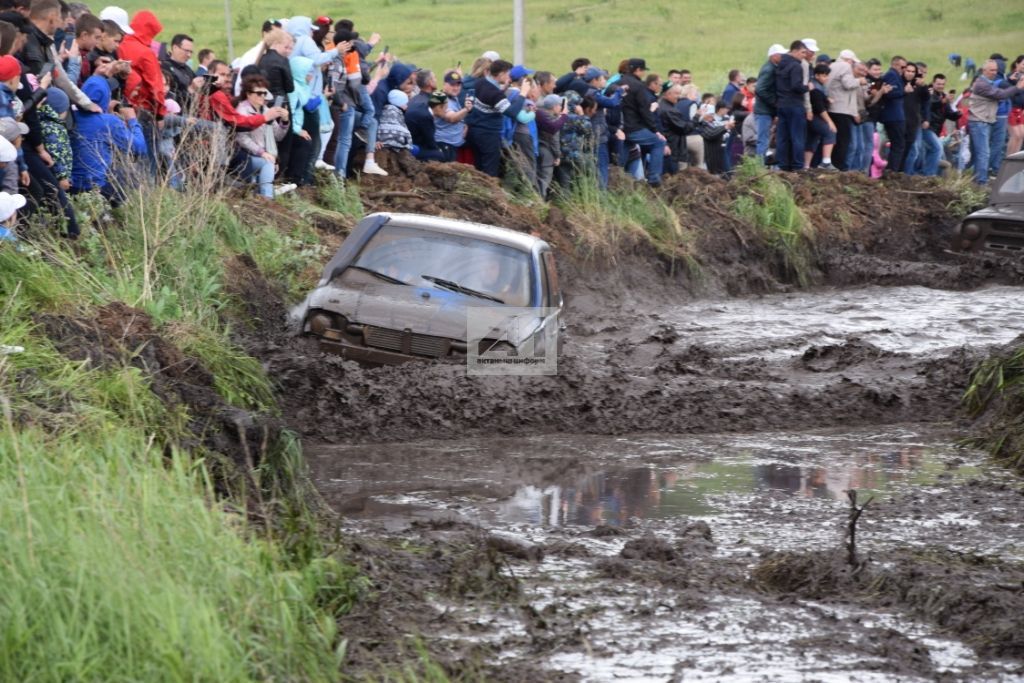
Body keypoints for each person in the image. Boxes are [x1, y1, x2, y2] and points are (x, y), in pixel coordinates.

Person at [70, 74, 146, 202]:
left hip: (71, 185)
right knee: (129, 195)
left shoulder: (70, 116)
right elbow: (139, 148)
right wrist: (132, 120)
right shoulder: (109, 122)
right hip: (95, 187)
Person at [464, 59, 533, 177]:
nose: (509, 77)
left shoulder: (481, 83)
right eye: (508, 74)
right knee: (489, 171)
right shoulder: (494, 93)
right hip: (488, 135)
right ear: (501, 74)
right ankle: (488, 194)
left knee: (479, 168)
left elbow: (490, 100)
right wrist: (523, 93)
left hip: (475, 131)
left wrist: (503, 89)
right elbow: (511, 112)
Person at [234, 74, 289, 198]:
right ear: (248, 94)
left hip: (263, 155)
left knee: (268, 163)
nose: (262, 96)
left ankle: (265, 197)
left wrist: (284, 121)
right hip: (244, 156)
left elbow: (278, 136)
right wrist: (262, 152)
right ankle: (267, 198)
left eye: (264, 93)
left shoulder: (265, 110)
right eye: (258, 93)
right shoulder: (242, 110)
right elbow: (242, 138)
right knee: (267, 163)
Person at [967, 59, 1021, 184]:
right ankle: (982, 181)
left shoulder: (988, 82)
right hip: (979, 122)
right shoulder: (981, 84)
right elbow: (1000, 94)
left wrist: (1011, 82)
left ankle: (976, 179)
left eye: (996, 70)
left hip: (983, 121)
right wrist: (1017, 87)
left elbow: (1000, 91)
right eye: (991, 70)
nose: (994, 72)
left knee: (979, 153)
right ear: (984, 70)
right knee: (984, 153)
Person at [619, 57, 665, 186]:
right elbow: (644, 109)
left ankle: (616, 175)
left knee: (625, 149)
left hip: (620, 127)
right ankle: (654, 178)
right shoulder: (639, 86)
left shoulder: (618, 82)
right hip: (634, 126)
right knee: (658, 143)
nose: (643, 74)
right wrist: (654, 130)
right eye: (643, 70)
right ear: (638, 70)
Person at [775, 40, 808, 172]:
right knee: (797, 137)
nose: (804, 55)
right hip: (794, 104)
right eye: (802, 52)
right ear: (794, 51)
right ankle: (798, 165)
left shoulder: (780, 65)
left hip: (782, 104)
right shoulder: (796, 66)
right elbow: (796, 86)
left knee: (782, 137)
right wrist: (807, 87)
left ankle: (783, 164)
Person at [827, 49, 861, 170]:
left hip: (831, 107)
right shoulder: (845, 67)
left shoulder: (832, 66)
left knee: (833, 138)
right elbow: (848, 84)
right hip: (842, 109)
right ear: (848, 60)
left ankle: (830, 162)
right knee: (843, 140)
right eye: (852, 62)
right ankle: (839, 165)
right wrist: (859, 81)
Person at [754, 44, 785, 164]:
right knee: (763, 140)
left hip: (766, 110)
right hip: (764, 111)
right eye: (781, 55)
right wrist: (774, 101)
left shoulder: (772, 67)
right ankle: (759, 167)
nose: (783, 57)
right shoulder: (769, 69)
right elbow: (760, 89)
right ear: (773, 56)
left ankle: (760, 166)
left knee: (764, 139)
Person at [805, 63, 837, 170]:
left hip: (812, 117)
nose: (826, 78)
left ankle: (806, 166)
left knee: (812, 139)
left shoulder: (818, 87)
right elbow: (820, 108)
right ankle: (826, 162)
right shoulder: (815, 88)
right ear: (816, 75)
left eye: (827, 75)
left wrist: (827, 98)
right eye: (823, 75)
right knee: (830, 131)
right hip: (814, 117)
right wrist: (830, 122)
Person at [880, 55, 908, 172]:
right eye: (903, 67)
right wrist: (904, 91)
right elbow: (890, 93)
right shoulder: (891, 75)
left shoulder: (896, 76)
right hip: (893, 116)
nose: (904, 70)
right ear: (896, 65)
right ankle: (892, 170)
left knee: (898, 143)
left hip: (895, 115)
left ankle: (892, 169)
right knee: (898, 144)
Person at [161, 33, 196, 109]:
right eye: (186, 51)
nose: (189, 55)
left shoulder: (188, 69)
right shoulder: (164, 68)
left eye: (191, 52)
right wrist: (190, 90)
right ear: (175, 47)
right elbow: (170, 95)